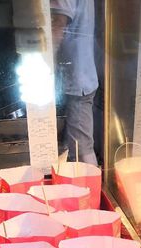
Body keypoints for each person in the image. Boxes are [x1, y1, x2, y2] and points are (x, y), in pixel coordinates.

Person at [51, 0, 99, 165]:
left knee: (82, 149)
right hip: (79, 73)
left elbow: (58, 22)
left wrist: (47, 62)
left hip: (77, 77)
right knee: (74, 147)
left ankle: (90, 181)